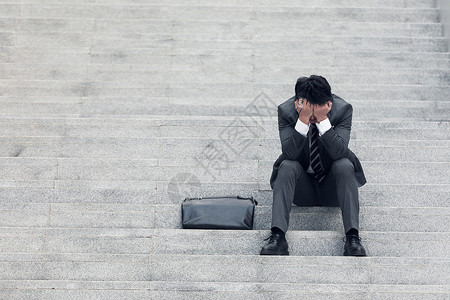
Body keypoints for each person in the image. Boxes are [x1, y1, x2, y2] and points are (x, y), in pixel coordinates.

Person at [260, 75, 367, 256]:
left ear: (328, 103)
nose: (311, 115)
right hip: (302, 190)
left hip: (334, 188)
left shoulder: (342, 110)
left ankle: (352, 238)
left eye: (316, 109)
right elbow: (290, 154)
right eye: (306, 108)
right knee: (287, 165)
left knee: (344, 165)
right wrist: (302, 121)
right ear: (297, 103)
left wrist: (323, 121)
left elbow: (340, 152)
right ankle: (277, 237)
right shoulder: (287, 112)